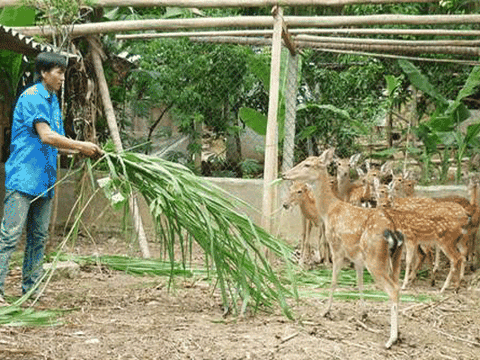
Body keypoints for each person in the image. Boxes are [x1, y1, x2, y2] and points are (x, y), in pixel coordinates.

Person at [0, 52, 103, 305]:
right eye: (58, 72)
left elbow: (56, 144)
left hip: (44, 181)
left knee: (38, 238)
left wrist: (85, 151)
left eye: (63, 72)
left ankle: (31, 291)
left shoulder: (53, 100)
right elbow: (47, 136)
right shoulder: (34, 97)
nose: (62, 77)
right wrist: (81, 144)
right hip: (24, 178)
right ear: (44, 72)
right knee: (10, 237)